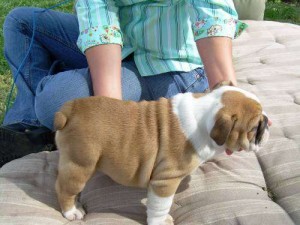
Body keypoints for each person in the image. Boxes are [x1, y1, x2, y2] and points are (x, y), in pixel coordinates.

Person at [0, 0, 247, 167]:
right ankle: (29, 127)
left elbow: (213, 12)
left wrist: (228, 102)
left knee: (54, 101)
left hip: (171, 63)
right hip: (121, 40)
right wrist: (111, 110)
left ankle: (45, 114)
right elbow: (98, 14)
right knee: (21, 22)